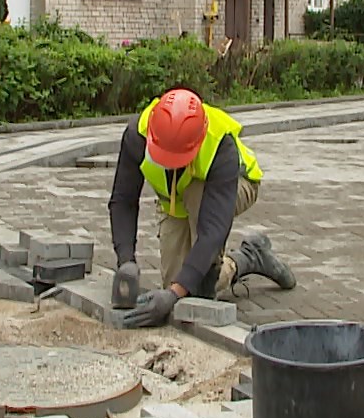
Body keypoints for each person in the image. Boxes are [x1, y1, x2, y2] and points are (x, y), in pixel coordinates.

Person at [107, 87, 296, 327]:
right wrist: (126, 261)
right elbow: (123, 199)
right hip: (175, 202)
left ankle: (230, 267)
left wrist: (177, 292)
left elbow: (214, 230)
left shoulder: (219, 144)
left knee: (191, 288)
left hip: (236, 185)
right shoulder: (139, 133)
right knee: (180, 287)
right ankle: (249, 257)